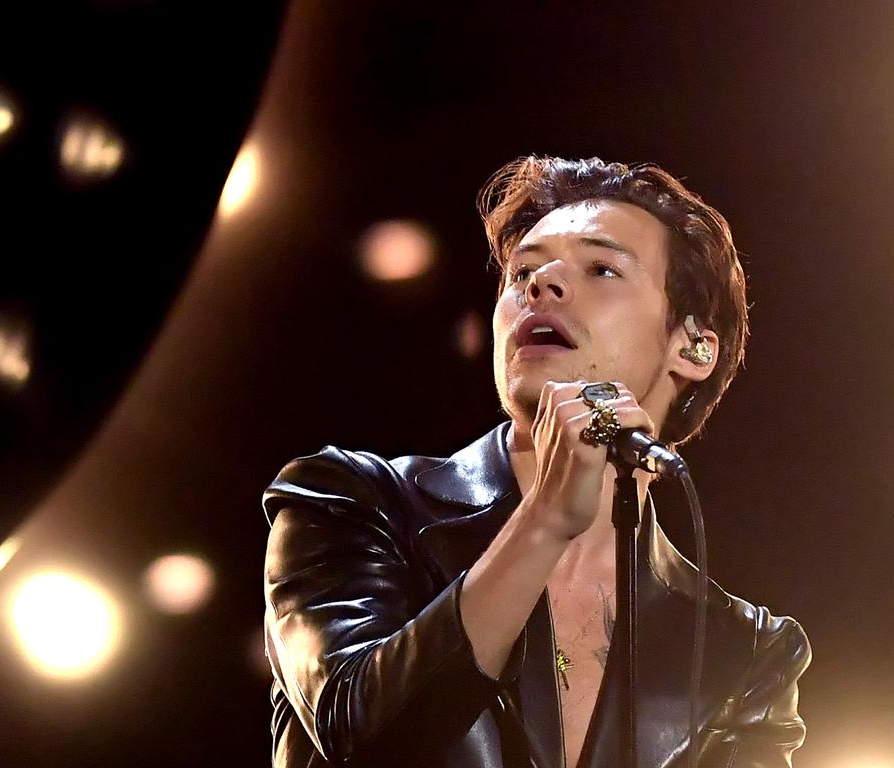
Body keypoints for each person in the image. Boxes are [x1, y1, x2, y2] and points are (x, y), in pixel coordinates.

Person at [262, 157, 810, 768]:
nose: (541, 284)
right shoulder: (354, 501)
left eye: (602, 268)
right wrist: (545, 519)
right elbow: (363, 739)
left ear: (694, 346)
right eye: (523, 270)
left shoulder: (745, 648)